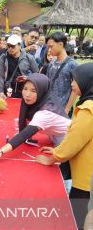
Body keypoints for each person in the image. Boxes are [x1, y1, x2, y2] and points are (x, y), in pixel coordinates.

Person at [35, 63, 93, 229]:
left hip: (86, 180)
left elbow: (74, 141)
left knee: (78, 218)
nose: (72, 84)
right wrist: (57, 150)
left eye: (76, 81)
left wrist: (53, 158)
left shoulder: (89, 109)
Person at [0, 73, 71, 166]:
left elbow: (23, 135)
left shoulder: (45, 113)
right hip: (55, 136)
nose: (27, 95)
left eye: (33, 91)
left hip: (68, 141)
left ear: (42, 91)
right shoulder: (38, 101)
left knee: (64, 172)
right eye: (25, 89)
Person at [0, 34, 38, 99]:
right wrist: (0, 92)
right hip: (8, 90)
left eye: (13, 46)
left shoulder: (28, 57)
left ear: (19, 45)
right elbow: (0, 76)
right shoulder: (3, 57)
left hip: (25, 90)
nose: (10, 48)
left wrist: (27, 78)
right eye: (9, 46)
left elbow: (37, 75)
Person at [45, 32, 77, 115]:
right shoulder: (52, 63)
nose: (49, 49)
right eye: (48, 47)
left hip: (63, 110)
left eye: (51, 46)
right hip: (49, 107)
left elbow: (75, 90)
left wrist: (67, 109)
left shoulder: (72, 64)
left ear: (60, 44)